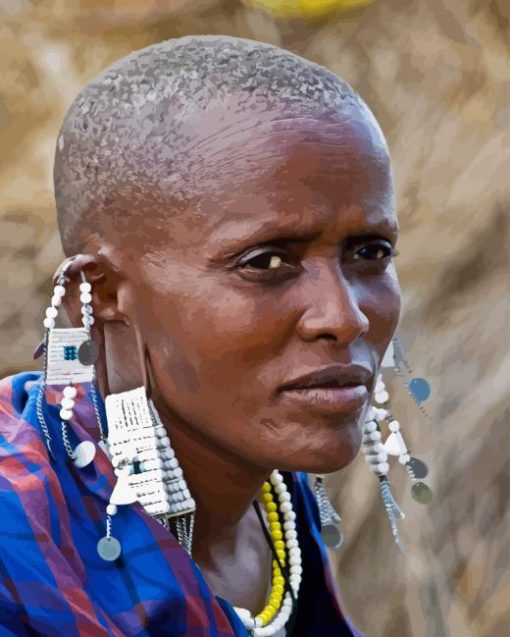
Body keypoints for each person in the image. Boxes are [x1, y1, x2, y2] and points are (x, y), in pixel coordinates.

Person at [0, 34, 401, 636]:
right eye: (266, 262)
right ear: (105, 295)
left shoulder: (271, 499)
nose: (344, 318)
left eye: (369, 252)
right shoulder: (18, 537)